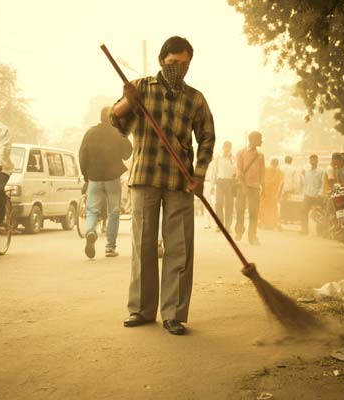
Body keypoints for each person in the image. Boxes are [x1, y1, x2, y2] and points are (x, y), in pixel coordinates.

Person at [111, 36, 215, 335]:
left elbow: (207, 136)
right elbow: (117, 122)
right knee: (143, 246)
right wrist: (128, 102)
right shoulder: (139, 88)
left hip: (180, 181)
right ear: (161, 60)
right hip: (145, 177)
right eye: (173, 63)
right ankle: (141, 310)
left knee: (179, 248)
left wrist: (200, 174)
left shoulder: (195, 98)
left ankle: (174, 313)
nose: (178, 69)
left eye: (184, 65)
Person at [79, 106, 133, 259]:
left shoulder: (90, 133)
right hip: (112, 178)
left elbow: (82, 155)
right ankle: (110, 247)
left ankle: (90, 231)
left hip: (94, 178)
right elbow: (127, 153)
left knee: (92, 210)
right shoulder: (117, 133)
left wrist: (86, 175)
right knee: (114, 212)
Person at [235, 131, 265, 245]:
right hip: (242, 186)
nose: (261, 141)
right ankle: (239, 230)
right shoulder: (241, 153)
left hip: (255, 188)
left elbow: (262, 173)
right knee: (239, 210)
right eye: (260, 138)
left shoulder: (261, 155)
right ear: (252, 140)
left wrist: (264, 187)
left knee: (254, 213)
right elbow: (239, 170)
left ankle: (252, 237)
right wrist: (243, 186)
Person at [210, 141, 235, 231]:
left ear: (230, 148)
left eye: (228, 147)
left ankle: (228, 226)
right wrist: (212, 185)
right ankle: (219, 225)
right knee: (219, 203)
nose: (227, 149)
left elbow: (235, 171)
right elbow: (214, 172)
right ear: (223, 147)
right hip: (220, 182)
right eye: (225, 147)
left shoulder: (233, 158)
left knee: (229, 204)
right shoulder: (218, 158)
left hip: (229, 183)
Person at [300, 154, 324, 235]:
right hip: (307, 195)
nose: (313, 161)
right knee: (303, 211)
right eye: (311, 160)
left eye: (314, 160)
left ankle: (320, 231)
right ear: (310, 161)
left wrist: (320, 193)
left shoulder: (321, 171)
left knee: (318, 214)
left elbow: (322, 184)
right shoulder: (307, 171)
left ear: (317, 161)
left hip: (316, 195)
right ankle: (304, 230)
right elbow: (305, 183)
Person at [260, 158, 283, 230]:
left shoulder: (267, 169)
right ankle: (271, 224)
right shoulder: (278, 171)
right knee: (272, 208)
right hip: (272, 193)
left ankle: (264, 223)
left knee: (265, 207)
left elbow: (262, 179)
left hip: (267, 192)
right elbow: (280, 182)